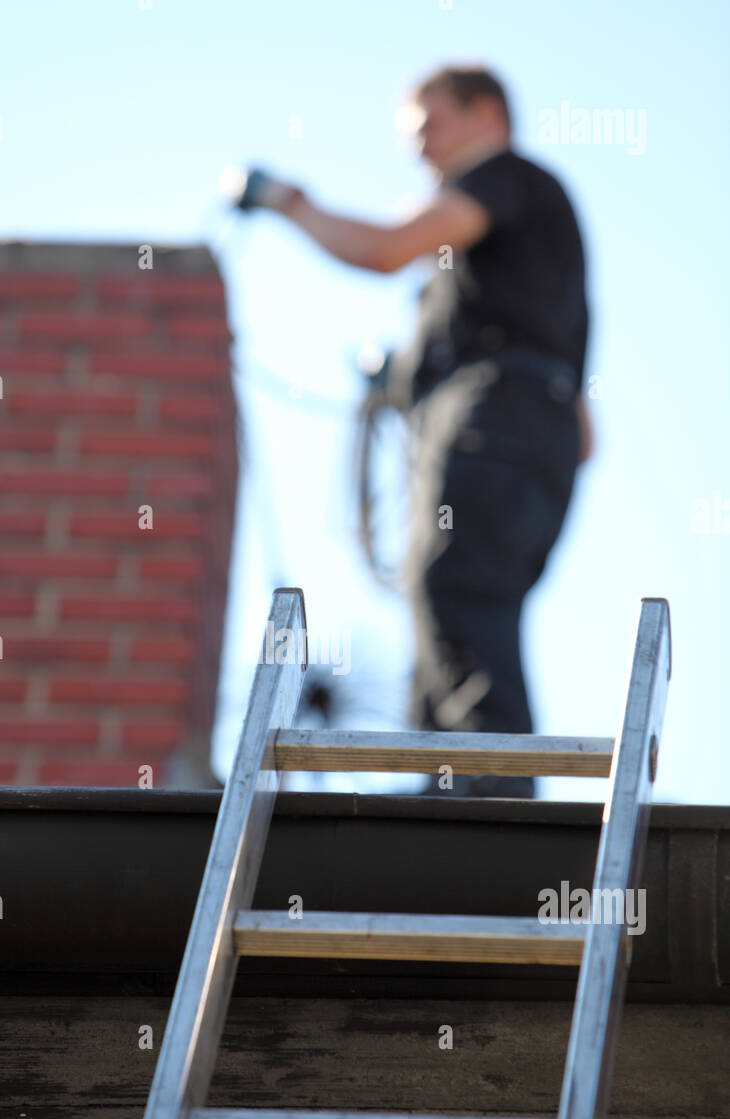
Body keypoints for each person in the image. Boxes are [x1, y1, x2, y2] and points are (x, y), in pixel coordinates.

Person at [251, 64, 591, 797]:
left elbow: (383, 249)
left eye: (429, 126)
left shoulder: (502, 178)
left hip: (492, 425)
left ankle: (490, 798)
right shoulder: (529, 252)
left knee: (451, 585)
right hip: (532, 440)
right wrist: (406, 378)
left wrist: (288, 202)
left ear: (486, 114)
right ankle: (446, 791)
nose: (419, 150)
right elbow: (581, 423)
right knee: (446, 598)